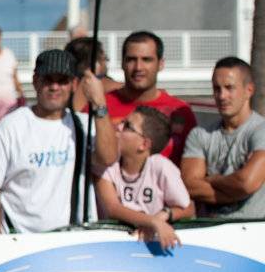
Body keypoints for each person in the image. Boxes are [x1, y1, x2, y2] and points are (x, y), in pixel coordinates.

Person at [0, 49, 119, 233]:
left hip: (74, 239)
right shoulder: (11, 126)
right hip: (22, 240)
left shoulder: (83, 125)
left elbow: (107, 157)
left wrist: (99, 103)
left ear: (74, 84)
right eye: (48, 80)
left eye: (62, 81)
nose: (54, 87)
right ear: (36, 81)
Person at [96, 106, 193, 251]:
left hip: (148, 246)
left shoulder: (161, 166)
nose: (118, 127)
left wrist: (162, 216)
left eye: (127, 126)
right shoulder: (107, 164)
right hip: (111, 247)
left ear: (144, 144)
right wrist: (152, 221)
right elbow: (112, 208)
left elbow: (187, 207)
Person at [181, 58, 265, 221]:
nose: (222, 96)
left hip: (255, 231)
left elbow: (247, 183)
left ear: (249, 90)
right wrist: (237, 190)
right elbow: (189, 185)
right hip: (211, 230)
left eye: (229, 88)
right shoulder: (200, 134)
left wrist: (212, 179)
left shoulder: (260, 130)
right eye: (216, 88)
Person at [105, 31, 195, 162]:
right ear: (122, 64)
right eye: (131, 59)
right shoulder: (101, 106)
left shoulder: (181, 111)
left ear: (161, 64)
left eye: (147, 59)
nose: (138, 67)